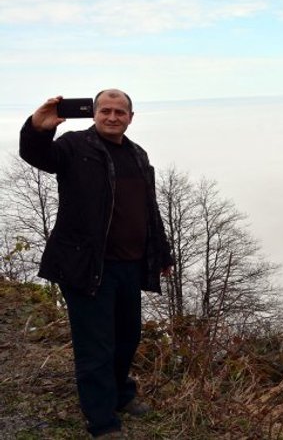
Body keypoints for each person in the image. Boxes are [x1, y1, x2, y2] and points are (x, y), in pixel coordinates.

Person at [19, 89, 173, 438]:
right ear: (94, 114)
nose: (113, 117)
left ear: (131, 117)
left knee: (127, 337)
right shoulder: (74, 147)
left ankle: (120, 395)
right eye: (106, 110)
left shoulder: (137, 153)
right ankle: (102, 421)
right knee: (95, 347)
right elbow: (37, 154)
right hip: (88, 267)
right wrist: (37, 128)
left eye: (120, 112)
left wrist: (161, 253)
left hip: (130, 266)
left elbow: (149, 209)